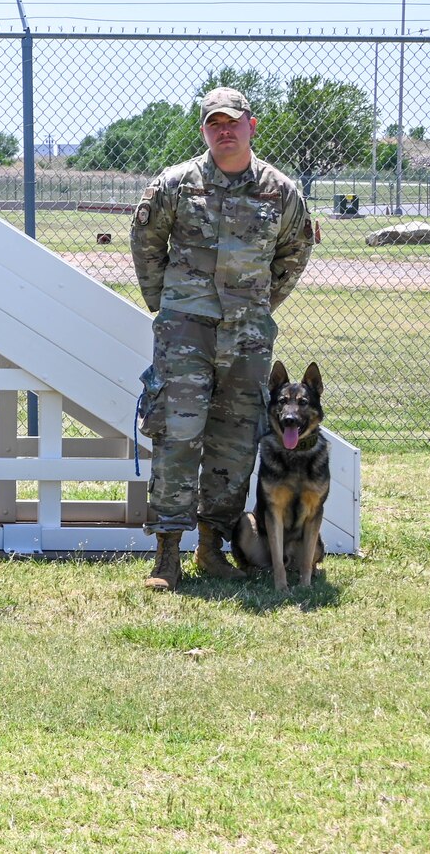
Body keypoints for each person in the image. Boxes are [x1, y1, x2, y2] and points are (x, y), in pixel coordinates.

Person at [130, 86, 314, 592]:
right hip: (185, 332)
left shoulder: (280, 190)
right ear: (205, 130)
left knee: (235, 443)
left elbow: (295, 251)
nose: (224, 130)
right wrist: (167, 301)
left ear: (251, 125)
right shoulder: (175, 184)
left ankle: (211, 548)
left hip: (248, 340)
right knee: (177, 436)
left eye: (233, 122)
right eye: (214, 123)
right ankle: (167, 554)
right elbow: (146, 241)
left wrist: (258, 307)